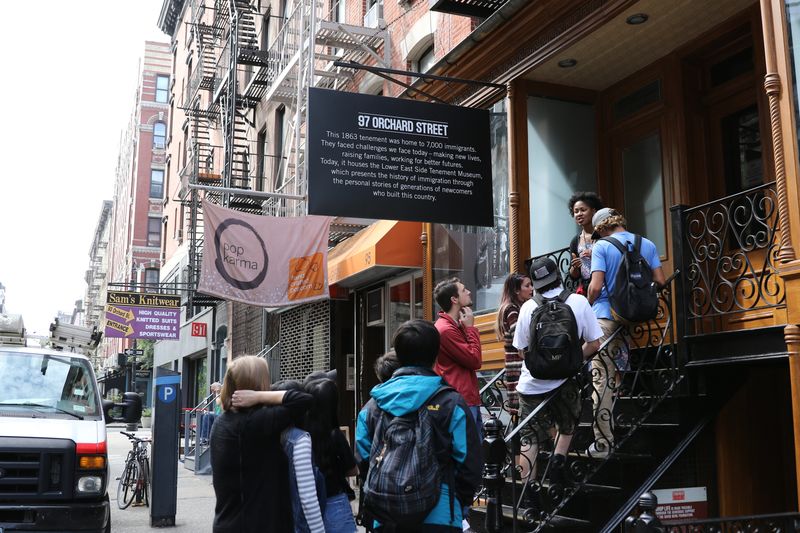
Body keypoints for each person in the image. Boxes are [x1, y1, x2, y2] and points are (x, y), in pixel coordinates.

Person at [356, 319, 482, 533]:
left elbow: (363, 458)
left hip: (384, 516)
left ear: (399, 353)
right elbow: (469, 463)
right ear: (436, 355)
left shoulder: (372, 405)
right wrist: (458, 501)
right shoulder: (451, 403)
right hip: (441, 514)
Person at [513, 257, 602, 487]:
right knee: (567, 424)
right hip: (566, 381)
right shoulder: (578, 302)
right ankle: (558, 464)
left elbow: (522, 351)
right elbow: (594, 344)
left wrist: (544, 362)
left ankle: (529, 495)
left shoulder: (528, 307)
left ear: (535, 283)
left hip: (531, 384)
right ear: (558, 276)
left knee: (529, 437)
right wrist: (570, 360)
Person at [587, 208, 666, 458]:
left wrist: (587, 304)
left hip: (606, 316)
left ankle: (603, 442)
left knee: (602, 378)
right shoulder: (648, 243)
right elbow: (661, 281)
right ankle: (616, 421)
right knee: (618, 371)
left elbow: (596, 286)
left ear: (600, 228)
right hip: (634, 319)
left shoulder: (601, 246)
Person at [210, 356, 312, 533]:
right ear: (258, 383)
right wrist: (259, 396)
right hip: (259, 525)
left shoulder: (221, 422)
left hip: (228, 523)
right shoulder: (256, 422)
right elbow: (305, 399)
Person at [304, 378, 358, 533]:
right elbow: (353, 470)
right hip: (335, 502)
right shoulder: (335, 435)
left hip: (308, 504)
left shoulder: (301, 436)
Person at [433, 278, 483, 436]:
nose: (468, 291)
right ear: (454, 299)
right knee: (469, 452)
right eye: (463, 290)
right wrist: (470, 329)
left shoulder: (454, 324)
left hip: (465, 398)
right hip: (461, 400)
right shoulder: (446, 329)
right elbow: (474, 360)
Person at [494, 273, 534, 415]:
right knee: (522, 409)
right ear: (517, 290)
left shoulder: (514, 307)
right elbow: (520, 336)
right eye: (527, 286)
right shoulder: (512, 309)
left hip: (514, 365)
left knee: (520, 409)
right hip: (518, 365)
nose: (531, 288)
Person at [568, 192, 604, 295]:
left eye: (583, 210)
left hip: (606, 286)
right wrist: (575, 267)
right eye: (576, 211)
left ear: (594, 211)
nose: (579, 214)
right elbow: (574, 276)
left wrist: (595, 255)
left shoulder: (604, 234)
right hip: (586, 289)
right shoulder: (575, 240)